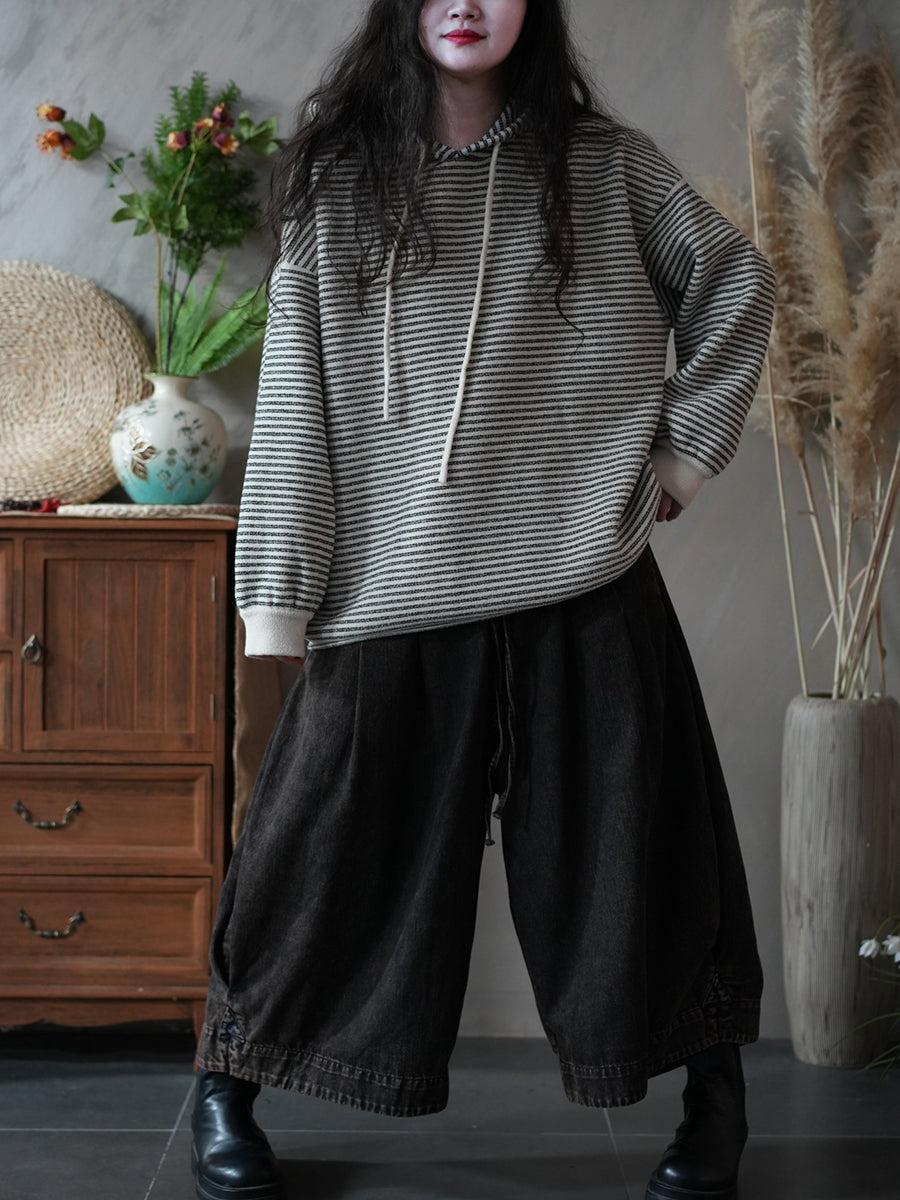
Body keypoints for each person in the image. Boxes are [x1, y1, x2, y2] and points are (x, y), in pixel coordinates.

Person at [192, 3, 775, 1199]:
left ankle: (715, 1099)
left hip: (583, 574)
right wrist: (280, 599)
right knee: (312, 858)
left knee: (645, 852)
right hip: (392, 584)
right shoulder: (340, 184)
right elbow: (296, 399)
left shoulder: (607, 168)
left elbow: (738, 283)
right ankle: (224, 1082)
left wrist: (679, 461)